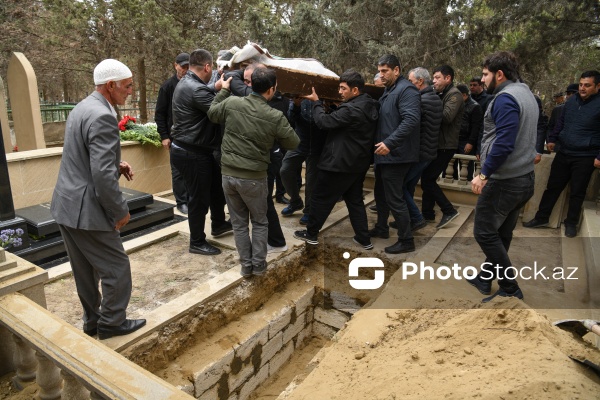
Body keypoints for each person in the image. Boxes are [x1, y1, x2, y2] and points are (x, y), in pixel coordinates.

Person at [50, 59, 146, 340]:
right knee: (116, 267)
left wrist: (116, 164)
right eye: (127, 86)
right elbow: (102, 178)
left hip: (66, 205)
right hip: (87, 209)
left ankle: (92, 321)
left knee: (84, 270)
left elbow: (84, 156)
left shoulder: (82, 107)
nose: (131, 91)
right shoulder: (103, 115)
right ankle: (112, 322)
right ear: (111, 85)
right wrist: (119, 211)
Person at [207, 67, 299, 277]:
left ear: (251, 84)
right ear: (272, 89)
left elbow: (212, 113)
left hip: (228, 176)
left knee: (239, 224)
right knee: (259, 222)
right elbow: (293, 142)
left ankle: (245, 267)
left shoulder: (232, 102)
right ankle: (258, 266)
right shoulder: (274, 115)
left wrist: (224, 90)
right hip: (254, 178)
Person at [467, 51, 538, 302]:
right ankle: (485, 277)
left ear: (499, 74)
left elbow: (504, 143)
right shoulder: (526, 93)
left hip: (505, 181)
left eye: (485, 75)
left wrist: (483, 174)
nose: (482, 80)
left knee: (484, 232)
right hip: (524, 178)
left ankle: (510, 287)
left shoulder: (506, 99)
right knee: (502, 233)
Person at [293, 70, 379, 248]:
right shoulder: (369, 104)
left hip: (337, 164)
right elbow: (346, 125)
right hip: (357, 164)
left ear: (355, 90)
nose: (339, 91)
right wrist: (334, 107)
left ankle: (311, 234)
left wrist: (316, 102)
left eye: (343, 88)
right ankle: (364, 238)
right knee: (355, 201)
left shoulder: (351, 109)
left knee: (320, 198)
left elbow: (324, 123)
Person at [523, 70, 600, 238]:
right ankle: (541, 218)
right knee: (552, 187)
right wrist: (553, 138)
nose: (582, 88)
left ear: (598, 86)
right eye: (581, 85)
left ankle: (571, 223)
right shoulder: (571, 102)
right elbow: (561, 122)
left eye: (587, 85)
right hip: (564, 152)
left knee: (577, 192)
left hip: (585, 156)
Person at [170, 49, 232, 256]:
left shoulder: (188, 82)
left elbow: (203, 93)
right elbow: (218, 112)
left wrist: (216, 86)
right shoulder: (195, 89)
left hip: (194, 150)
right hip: (192, 152)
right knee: (199, 199)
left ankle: (219, 224)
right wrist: (223, 90)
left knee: (216, 188)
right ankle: (196, 241)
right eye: (212, 68)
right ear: (207, 67)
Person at [226, 62, 292, 253]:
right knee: (261, 201)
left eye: (252, 81)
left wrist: (239, 73)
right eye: (246, 81)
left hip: (268, 158)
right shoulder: (258, 96)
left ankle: (277, 241)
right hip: (256, 160)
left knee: (264, 202)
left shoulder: (273, 100)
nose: (248, 86)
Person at [368, 54, 421, 254]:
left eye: (385, 71)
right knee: (380, 194)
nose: (381, 75)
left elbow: (411, 120)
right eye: (379, 71)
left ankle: (406, 240)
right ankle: (382, 227)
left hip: (397, 155)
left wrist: (390, 143)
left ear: (396, 70)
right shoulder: (389, 91)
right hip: (384, 154)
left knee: (395, 198)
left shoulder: (406, 90)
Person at [420, 65, 463, 228]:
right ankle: (427, 214)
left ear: (448, 78)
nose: (434, 81)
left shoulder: (455, 95)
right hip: (437, 144)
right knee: (427, 178)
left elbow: (446, 117)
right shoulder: (440, 94)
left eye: (438, 77)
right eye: (434, 77)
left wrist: (431, 101)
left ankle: (449, 210)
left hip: (446, 145)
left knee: (428, 180)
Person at [155, 52, 190, 214]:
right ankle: (181, 201)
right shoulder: (167, 87)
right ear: (176, 65)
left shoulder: (193, 84)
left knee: (192, 170)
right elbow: (160, 114)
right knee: (177, 171)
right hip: (175, 137)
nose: (185, 69)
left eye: (188, 66)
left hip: (192, 136)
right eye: (183, 66)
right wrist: (164, 136)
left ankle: (191, 199)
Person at [455, 84, 483, 180]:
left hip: (466, 140)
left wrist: (470, 142)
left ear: (464, 95)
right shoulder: (456, 104)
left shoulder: (475, 106)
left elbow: (476, 127)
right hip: (455, 138)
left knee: (466, 166)